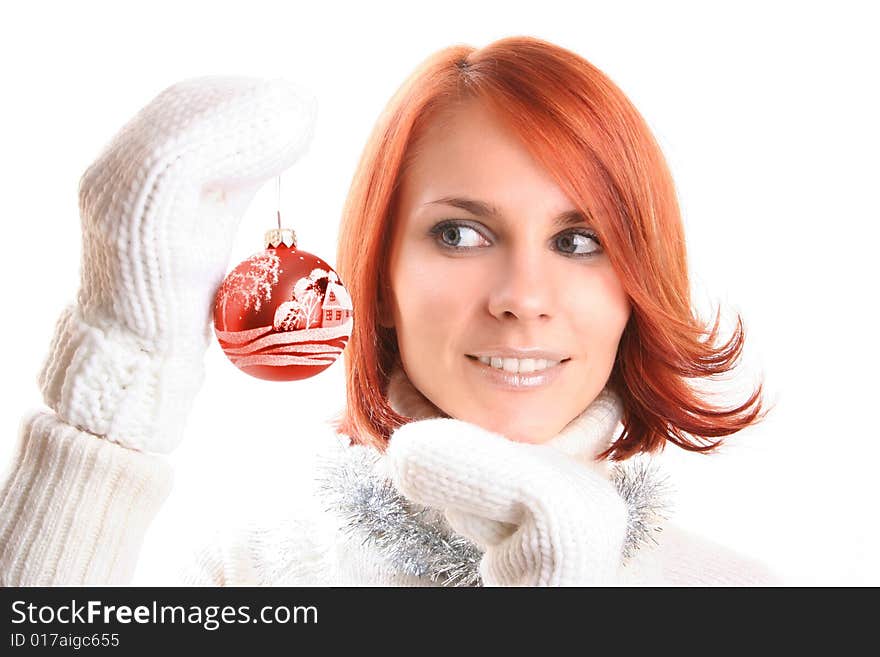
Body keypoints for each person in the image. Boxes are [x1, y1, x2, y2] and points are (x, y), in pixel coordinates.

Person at [0, 36, 780, 586]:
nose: (522, 298)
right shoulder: (245, 575)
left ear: (637, 281)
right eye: (461, 233)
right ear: (377, 277)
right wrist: (116, 394)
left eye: (579, 241)